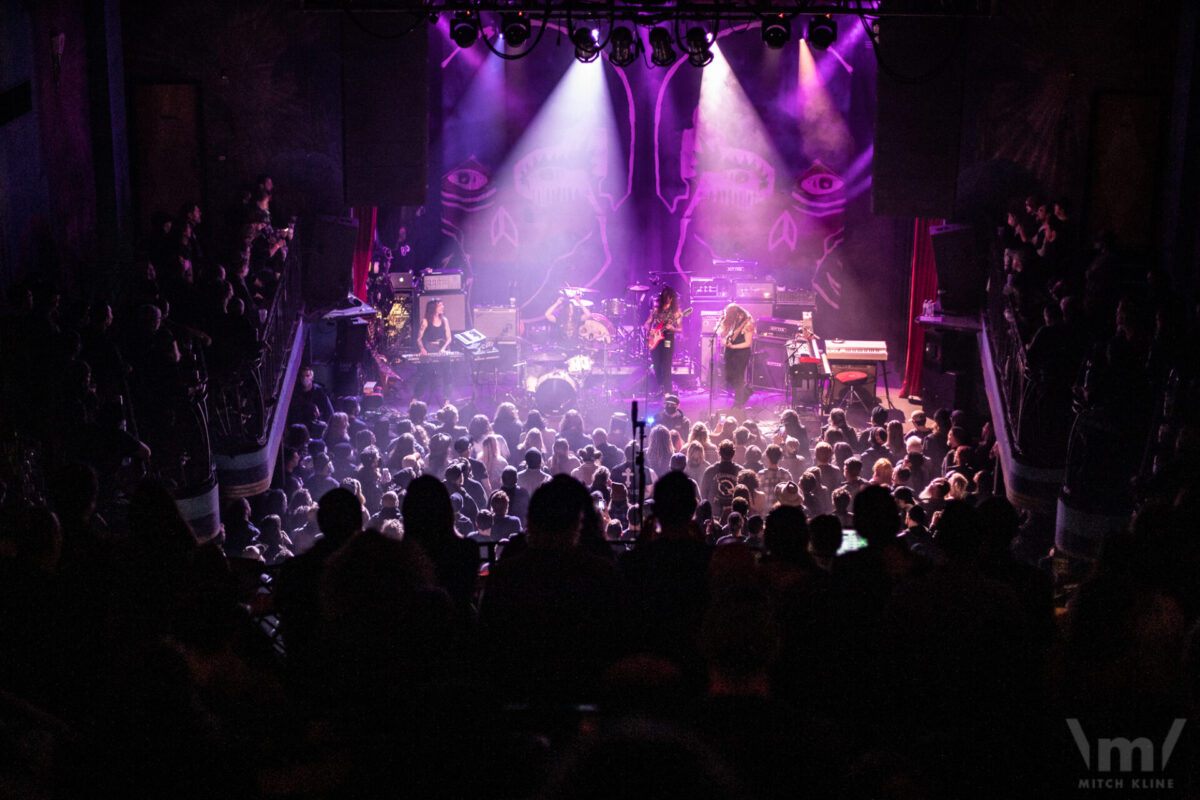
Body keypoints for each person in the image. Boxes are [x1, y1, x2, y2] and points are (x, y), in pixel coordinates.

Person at [645, 286, 683, 396]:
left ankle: (668, 391)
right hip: (656, 339)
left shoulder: (677, 312)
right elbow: (646, 324)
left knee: (666, 365)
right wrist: (650, 330)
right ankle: (660, 387)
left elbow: (680, 330)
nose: (667, 299)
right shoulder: (656, 310)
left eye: (669, 297)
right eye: (665, 297)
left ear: (672, 298)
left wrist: (673, 329)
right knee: (656, 364)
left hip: (668, 338)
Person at [413, 298, 452, 403]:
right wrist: (422, 349)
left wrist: (443, 349)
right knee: (425, 374)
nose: (442, 307)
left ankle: (447, 401)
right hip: (430, 349)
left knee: (447, 374)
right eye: (440, 305)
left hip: (442, 349)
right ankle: (414, 399)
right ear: (433, 308)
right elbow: (419, 338)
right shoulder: (425, 321)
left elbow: (449, 338)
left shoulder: (444, 320)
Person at [717, 302, 754, 405]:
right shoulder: (735, 322)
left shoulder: (747, 324)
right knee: (729, 377)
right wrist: (725, 340)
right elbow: (726, 335)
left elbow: (747, 343)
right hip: (731, 353)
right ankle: (746, 392)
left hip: (741, 354)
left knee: (738, 378)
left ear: (737, 314)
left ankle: (737, 404)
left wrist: (733, 346)